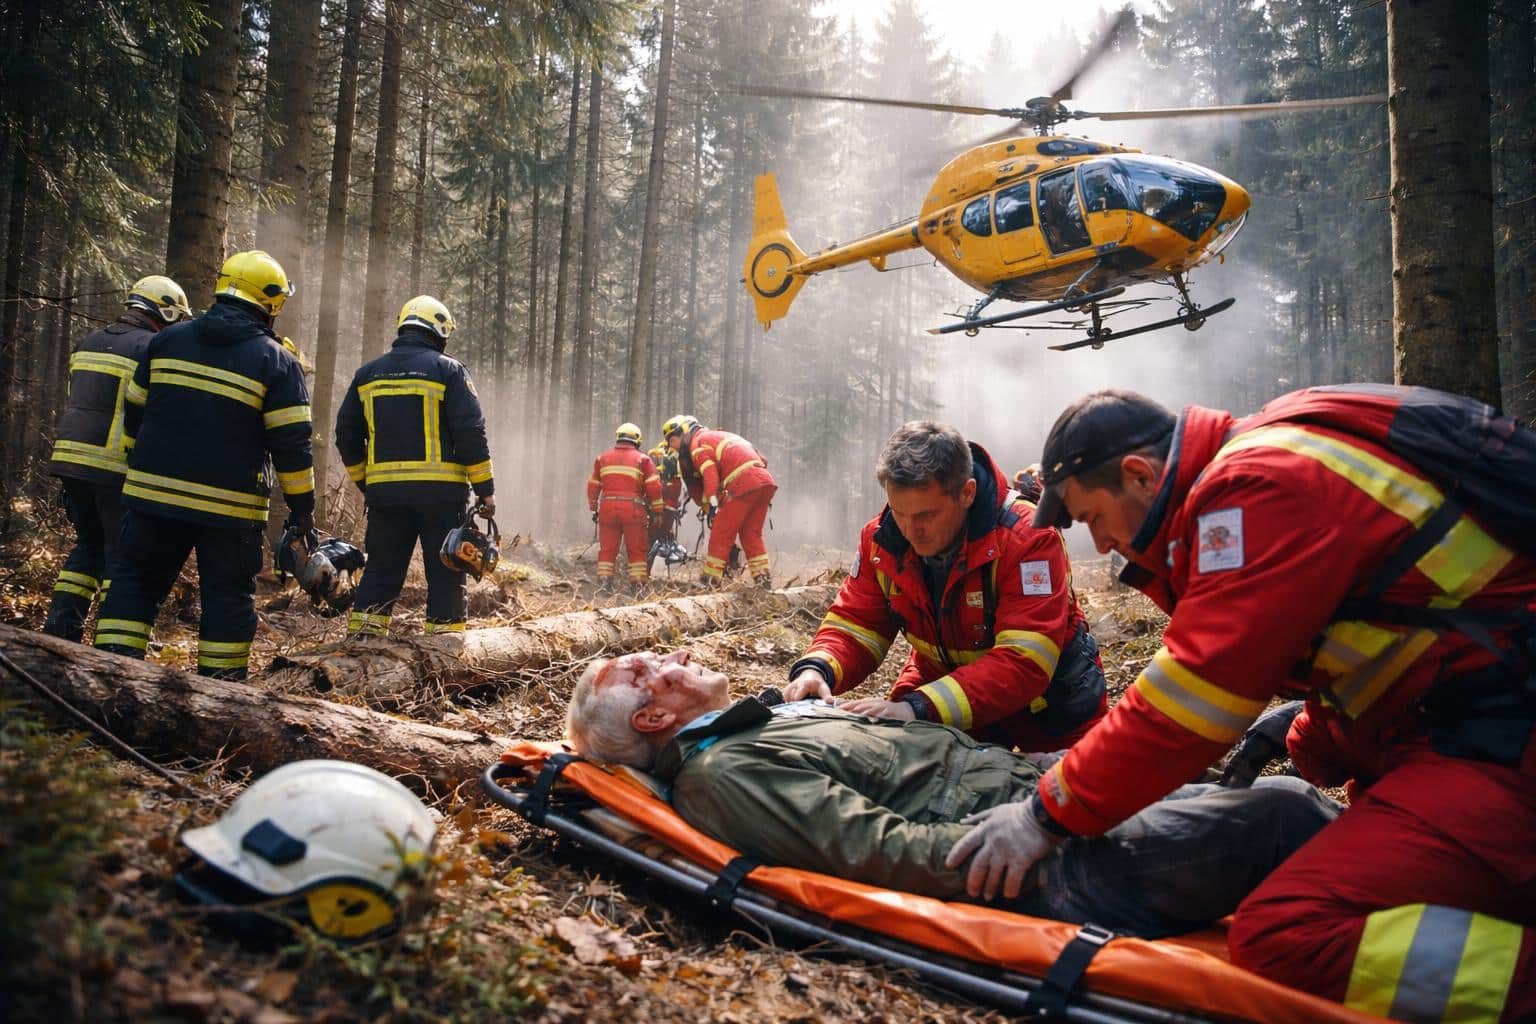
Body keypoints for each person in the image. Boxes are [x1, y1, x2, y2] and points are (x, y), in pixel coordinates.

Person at [949, 387, 1536, 1021]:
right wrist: (1315, 731)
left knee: (1285, 935)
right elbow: (1403, 630)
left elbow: (1191, 702)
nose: (1100, 545)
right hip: (1472, 729)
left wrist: (1044, 814)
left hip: (1502, 745)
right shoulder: (1272, 456)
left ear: (1139, 475)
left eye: (1093, 517)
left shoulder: (1254, 489)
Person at [564, 650, 1339, 938]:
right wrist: (1031, 838)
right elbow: (880, 854)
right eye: (641, 671)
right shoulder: (725, 775)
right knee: (1286, 814)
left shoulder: (757, 726)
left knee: (1248, 779)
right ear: (655, 717)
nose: (664, 655)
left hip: (1046, 806)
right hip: (1053, 868)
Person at [783, 422, 1106, 754]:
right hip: (943, 689)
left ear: (967, 493)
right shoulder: (881, 539)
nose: (911, 530)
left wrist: (917, 708)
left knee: (1076, 794)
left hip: (1051, 708)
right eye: (899, 512)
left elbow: (1023, 662)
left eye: (927, 515)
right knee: (898, 770)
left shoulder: (1029, 536)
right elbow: (857, 624)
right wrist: (817, 668)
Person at [93, 252, 312, 680]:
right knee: (227, 599)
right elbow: (293, 446)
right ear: (270, 303)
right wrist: (303, 508)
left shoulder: (167, 340)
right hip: (229, 513)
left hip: (152, 498)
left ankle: (106, 682)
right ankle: (224, 696)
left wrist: (143, 462)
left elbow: (134, 407)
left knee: (133, 583)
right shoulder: (277, 362)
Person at [335, 295, 494, 638]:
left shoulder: (367, 375)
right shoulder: (449, 370)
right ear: (438, 331)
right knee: (447, 573)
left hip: (386, 497)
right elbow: (471, 432)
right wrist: (485, 490)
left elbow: (345, 434)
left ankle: (361, 649)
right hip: (441, 496)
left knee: (380, 570)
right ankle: (445, 649)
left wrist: (366, 481)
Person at [44, 275, 190, 641]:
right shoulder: (152, 347)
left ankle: (61, 631)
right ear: (166, 310)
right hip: (113, 467)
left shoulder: (90, 340)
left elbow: (76, 396)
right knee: (123, 557)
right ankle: (112, 644)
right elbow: (156, 411)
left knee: (88, 546)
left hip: (70, 461)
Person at [661, 415, 776, 588]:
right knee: (751, 534)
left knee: (721, 532)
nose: (673, 447)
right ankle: (763, 579)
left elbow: (710, 475)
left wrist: (713, 506)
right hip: (764, 482)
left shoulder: (697, 444)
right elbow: (763, 459)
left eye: (673, 441)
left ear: (684, 433)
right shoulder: (718, 436)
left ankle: (710, 581)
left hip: (743, 482)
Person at [586, 423, 663, 592]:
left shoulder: (602, 458)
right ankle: (638, 586)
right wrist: (658, 511)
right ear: (637, 440)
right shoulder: (643, 459)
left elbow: (593, 485)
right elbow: (654, 487)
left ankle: (604, 584)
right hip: (633, 510)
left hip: (607, 508)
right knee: (636, 549)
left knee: (607, 548)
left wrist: (594, 508)